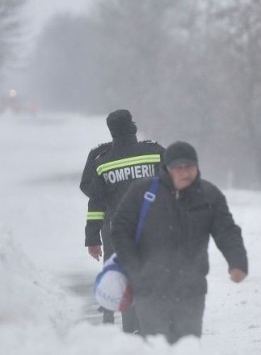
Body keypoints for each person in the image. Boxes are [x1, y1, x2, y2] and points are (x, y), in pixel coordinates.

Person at [111, 141, 248, 345]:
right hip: (150, 288)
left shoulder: (209, 195)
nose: (185, 172)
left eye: (190, 167)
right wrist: (135, 267)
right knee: (157, 345)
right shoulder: (143, 192)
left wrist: (237, 262)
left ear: (197, 167)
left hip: (191, 289)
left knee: (187, 345)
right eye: (179, 167)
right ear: (167, 168)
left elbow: (227, 231)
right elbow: (120, 230)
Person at [80, 109, 165, 331]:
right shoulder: (155, 152)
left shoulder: (102, 161)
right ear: (132, 126)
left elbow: (95, 203)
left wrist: (92, 237)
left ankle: (131, 328)